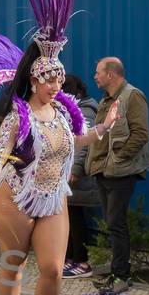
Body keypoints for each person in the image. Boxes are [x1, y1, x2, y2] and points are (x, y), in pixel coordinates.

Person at [0, 0, 117, 295]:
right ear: (34, 79)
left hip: (53, 198)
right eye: (47, 78)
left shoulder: (64, 112)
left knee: (55, 270)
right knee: (13, 263)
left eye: (59, 77)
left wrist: (100, 131)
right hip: (17, 198)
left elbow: (74, 141)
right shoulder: (17, 116)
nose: (55, 84)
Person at [86, 56, 149, 294]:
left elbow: (141, 133)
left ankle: (121, 276)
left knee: (116, 223)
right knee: (112, 224)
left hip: (120, 172)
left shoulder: (132, 96)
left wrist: (120, 157)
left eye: (98, 72)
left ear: (110, 75)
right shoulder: (107, 99)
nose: (95, 76)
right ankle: (116, 274)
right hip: (104, 171)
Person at [62, 74, 100, 278]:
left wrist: (75, 169)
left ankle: (82, 262)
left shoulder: (84, 110)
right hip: (67, 174)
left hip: (76, 176)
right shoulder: (71, 109)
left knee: (77, 220)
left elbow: (83, 143)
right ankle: (69, 258)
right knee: (68, 219)